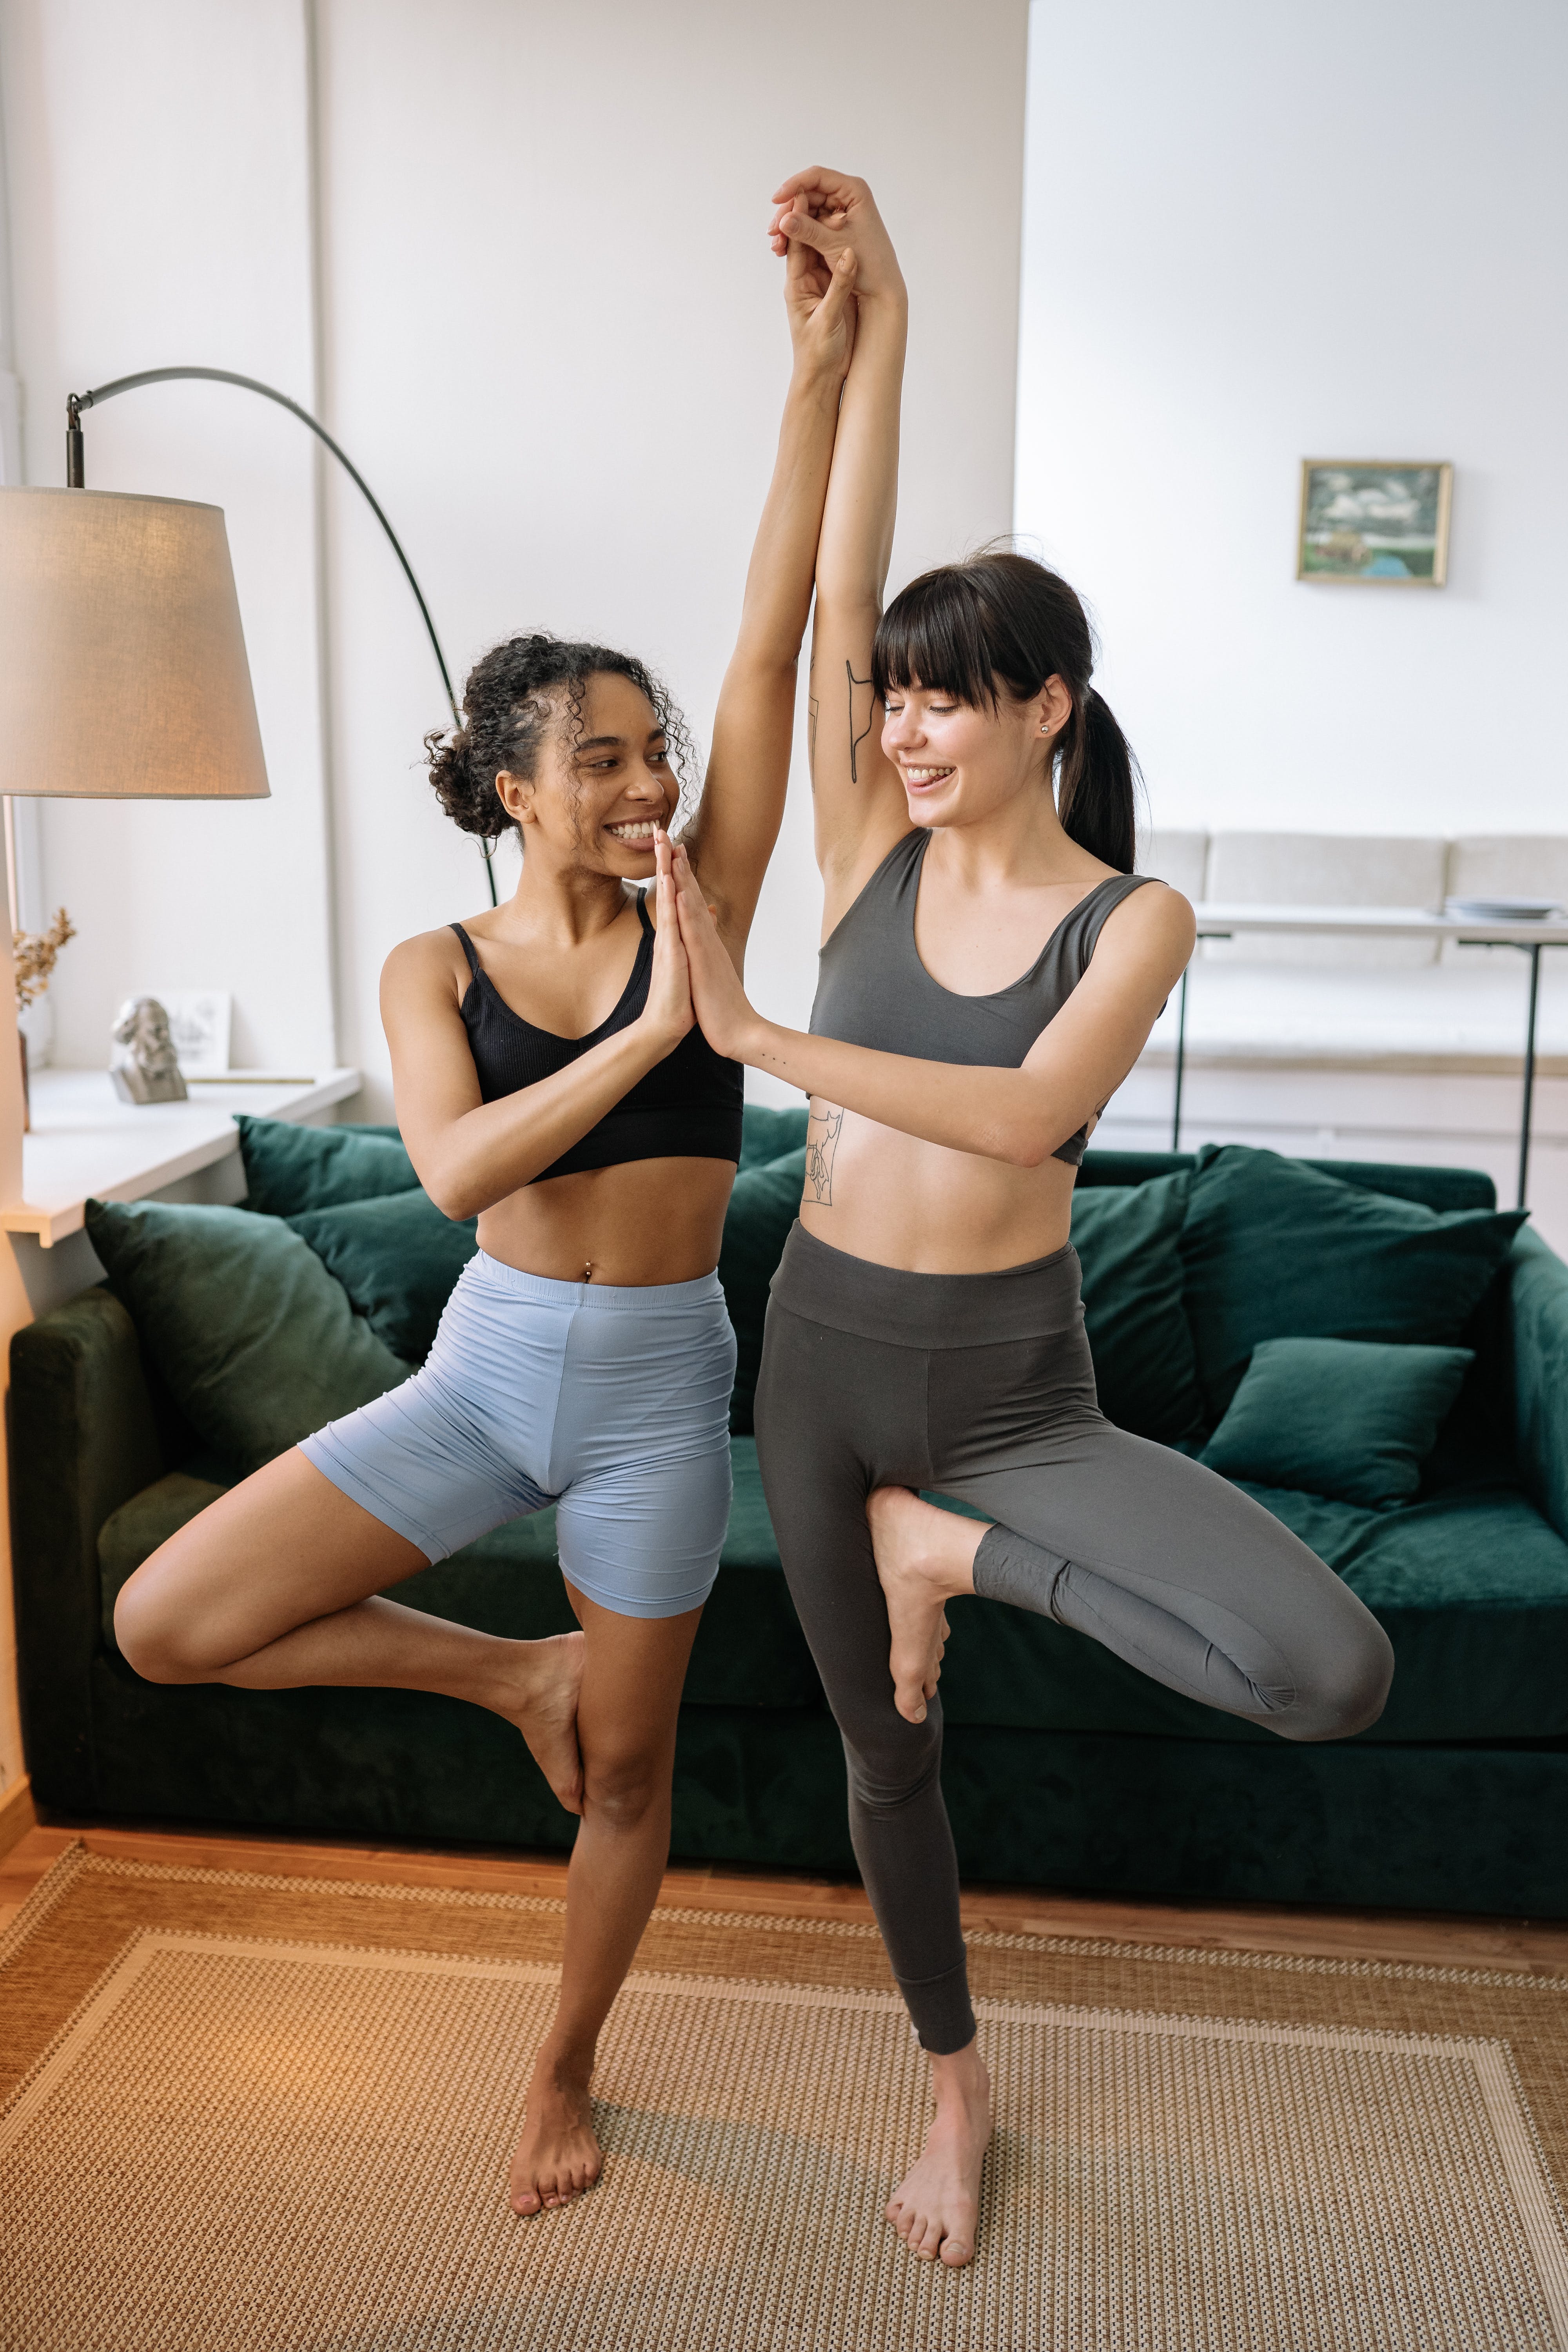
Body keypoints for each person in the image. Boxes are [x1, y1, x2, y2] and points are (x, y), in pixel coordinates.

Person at [666, 167, 1396, 2272]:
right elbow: (826, 593)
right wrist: (861, 316)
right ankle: (954, 2096)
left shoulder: (1132, 917)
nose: (900, 725)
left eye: (949, 696)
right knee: (885, 1765)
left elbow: (1030, 1115)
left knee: (1324, 1674)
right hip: (818, 1363)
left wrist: (761, 1038)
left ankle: (950, 1554)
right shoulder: (859, 841)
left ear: (1047, 710)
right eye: (893, 696)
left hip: (1005, 1403)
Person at [112, 203, 860, 2220]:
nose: (644, 786)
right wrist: (664, 1027)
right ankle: (502, 1672)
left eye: (654, 757)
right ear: (510, 789)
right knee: (169, 1618)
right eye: (598, 762)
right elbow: (455, 1176)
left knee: (634, 1779)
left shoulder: (706, 871)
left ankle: (559, 2071)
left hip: (650, 1386)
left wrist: (815, 371)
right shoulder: (429, 968)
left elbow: (773, 639)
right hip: (489, 1364)